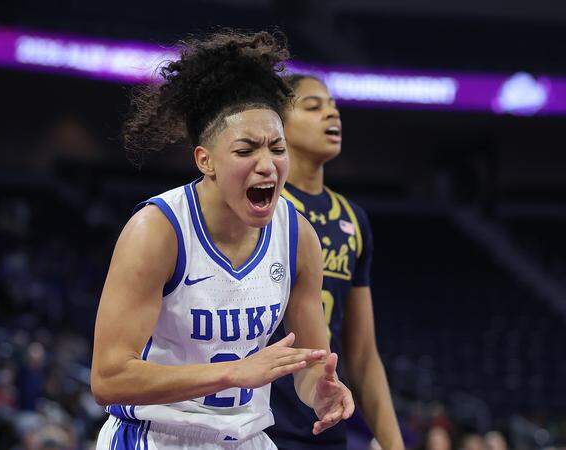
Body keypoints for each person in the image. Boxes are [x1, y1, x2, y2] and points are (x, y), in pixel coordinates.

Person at [90, 31, 354, 450]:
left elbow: (308, 363)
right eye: (246, 150)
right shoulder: (157, 231)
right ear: (205, 160)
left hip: (246, 439)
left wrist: (320, 392)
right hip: (155, 438)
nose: (267, 165)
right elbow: (108, 378)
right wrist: (233, 374)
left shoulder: (298, 236)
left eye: (277, 148)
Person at [265, 74, 404, 450]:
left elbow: (361, 355)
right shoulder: (261, 206)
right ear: (278, 124)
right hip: (257, 424)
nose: (332, 114)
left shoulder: (353, 217)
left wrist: (394, 445)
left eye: (333, 107)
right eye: (313, 106)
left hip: (324, 422)